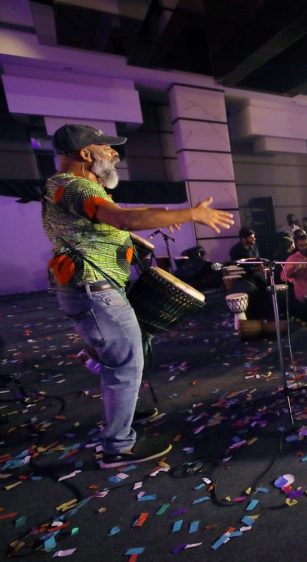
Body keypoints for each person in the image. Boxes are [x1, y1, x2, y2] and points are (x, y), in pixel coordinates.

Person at [42, 123, 233, 468]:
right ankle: (118, 446)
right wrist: (190, 213)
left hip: (94, 290)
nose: (114, 153)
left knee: (124, 359)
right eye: (106, 148)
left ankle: (123, 417)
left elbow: (104, 230)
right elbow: (120, 219)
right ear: (85, 154)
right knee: (126, 363)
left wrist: (144, 231)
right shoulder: (74, 187)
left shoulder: (76, 187)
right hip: (95, 292)